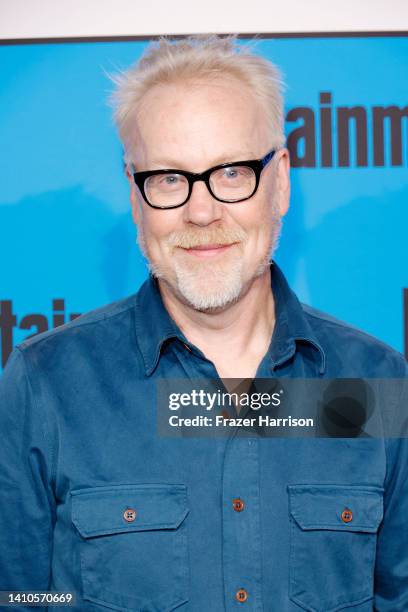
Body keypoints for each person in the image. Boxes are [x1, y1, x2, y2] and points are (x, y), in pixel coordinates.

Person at [0, 35, 407, 611]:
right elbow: (16, 598)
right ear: (134, 194)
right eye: (169, 178)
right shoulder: (44, 385)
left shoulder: (378, 383)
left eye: (232, 172)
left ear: (281, 179)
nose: (201, 210)